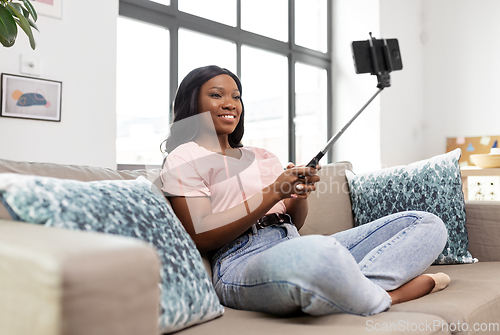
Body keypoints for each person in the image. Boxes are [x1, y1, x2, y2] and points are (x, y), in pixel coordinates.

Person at [160, 65, 450, 316]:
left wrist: (297, 196)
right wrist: (274, 192)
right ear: (192, 103)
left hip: (293, 240)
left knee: (427, 224)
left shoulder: (261, 155)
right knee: (319, 251)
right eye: (216, 95)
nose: (230, 103)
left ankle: (349, 289)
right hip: (240, 260)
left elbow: (294, 221)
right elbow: (201, 236)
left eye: (236, 96)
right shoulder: (184, 157)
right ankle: (384, 296)